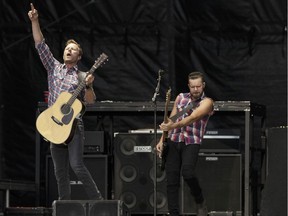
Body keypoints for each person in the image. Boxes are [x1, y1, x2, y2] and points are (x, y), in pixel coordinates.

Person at [28, 3, 103, 202]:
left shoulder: (82, 76)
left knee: (77, 166)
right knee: (59, 171)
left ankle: (98, 201)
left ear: (79, 56)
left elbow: (91, 102)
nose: (69, 51)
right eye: (67, 48)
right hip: (54, 125)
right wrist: (35, 20)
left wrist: (88, 86)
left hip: (74, 126)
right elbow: (40, 44)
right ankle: (65, 206)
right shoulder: (53, 68)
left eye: (73, 50)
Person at [156, 72, 214, 216]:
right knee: (171, 180)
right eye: (193, 86)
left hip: (191, 141)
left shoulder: (207, 102)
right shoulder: (180, 98)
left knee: (187, 172)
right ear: (189, 85)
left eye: (198, 86)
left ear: (203, 86)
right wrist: (162, 139)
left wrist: (171, 126)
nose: (195, 89)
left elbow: (192, 118)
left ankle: (200, 201)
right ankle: (174, 213)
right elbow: (172, 119)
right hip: (174, 139)